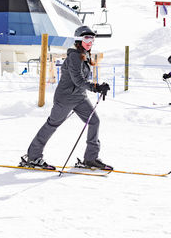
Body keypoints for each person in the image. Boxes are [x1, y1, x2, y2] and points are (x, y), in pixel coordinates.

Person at [21, 26, 111, 170]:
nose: (90, 42)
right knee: (52, 124)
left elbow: (81, 83)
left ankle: (90, 158)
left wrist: (98, 87)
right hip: (65, 98)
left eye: (92, 39)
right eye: (87, 38)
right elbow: (78, 80)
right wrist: (96, 87)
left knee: (94, 121)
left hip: (79, 97)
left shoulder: (85, 55)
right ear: (79, 40)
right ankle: (32, 157)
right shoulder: (74, 56)